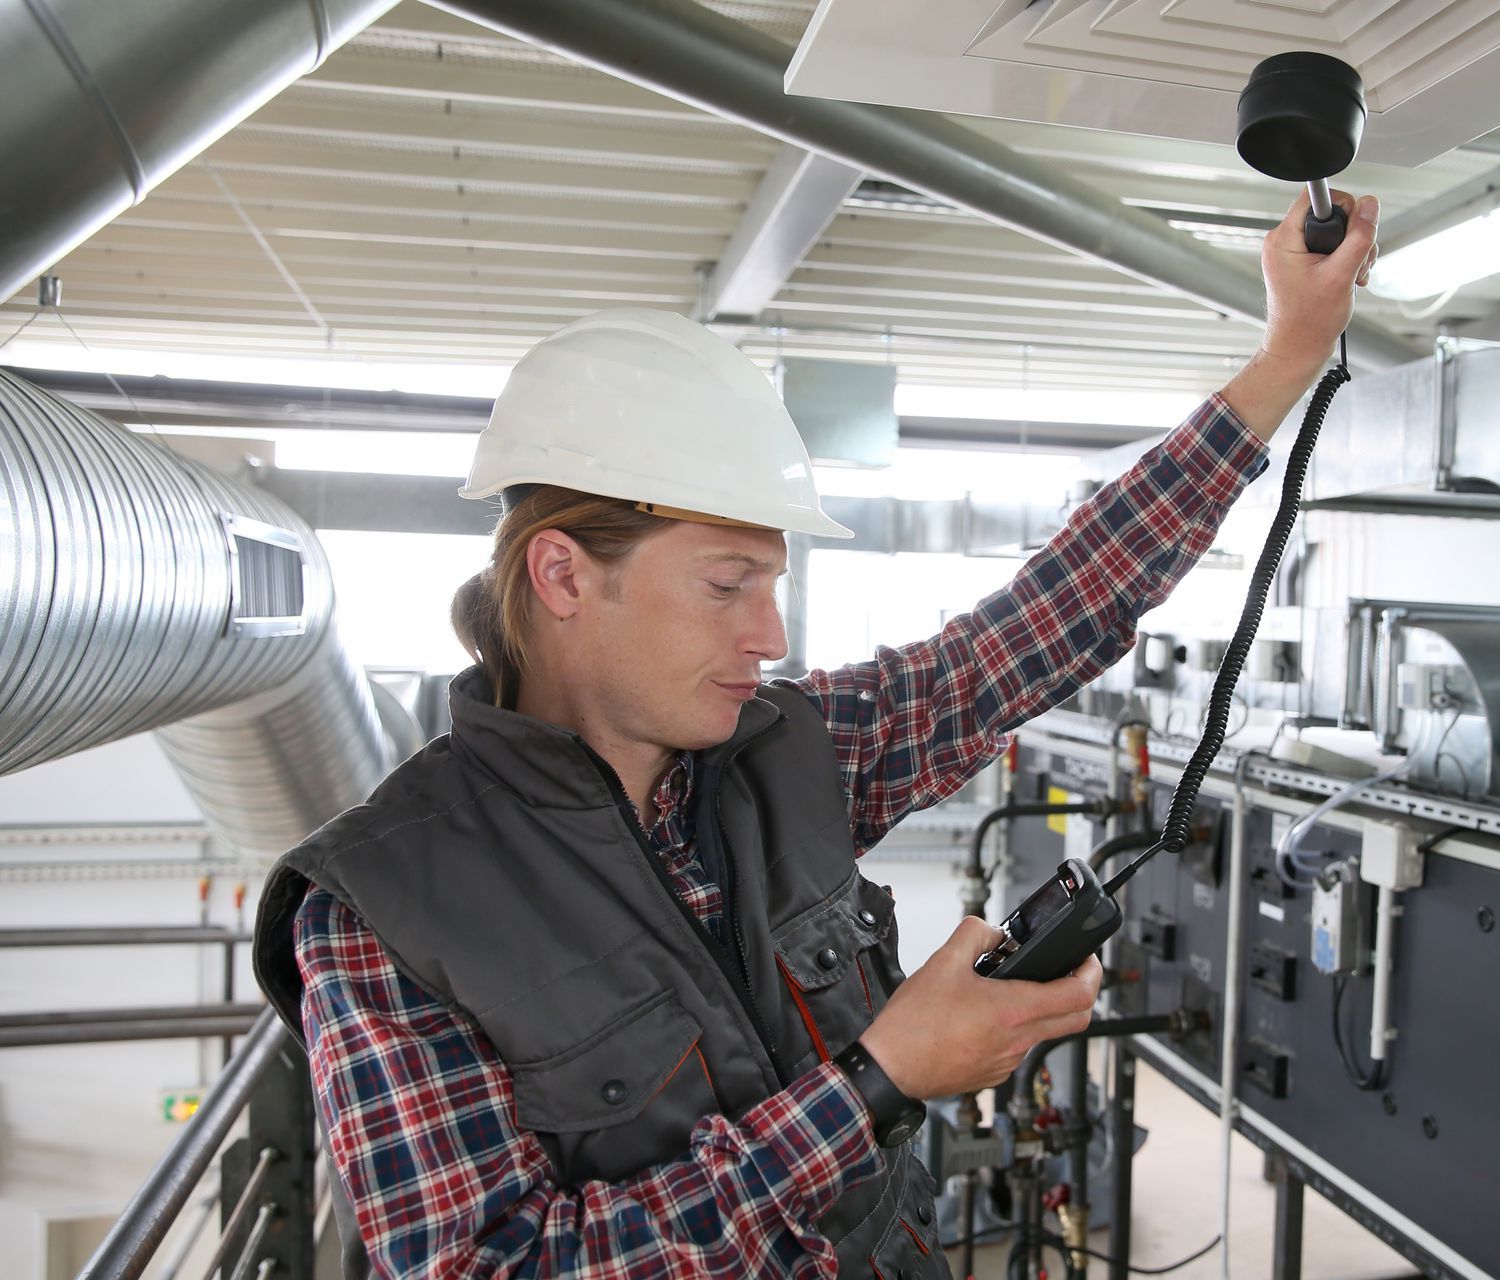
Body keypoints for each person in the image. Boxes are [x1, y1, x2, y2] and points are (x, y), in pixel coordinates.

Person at [252, 189, 1379, 1279]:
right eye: (728, 583)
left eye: (774, 583)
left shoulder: (790, 747)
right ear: (562, 575)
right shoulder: (382, 912)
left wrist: (1287, 353)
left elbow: (1045, 616)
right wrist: (878, 1080)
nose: (771, 632)